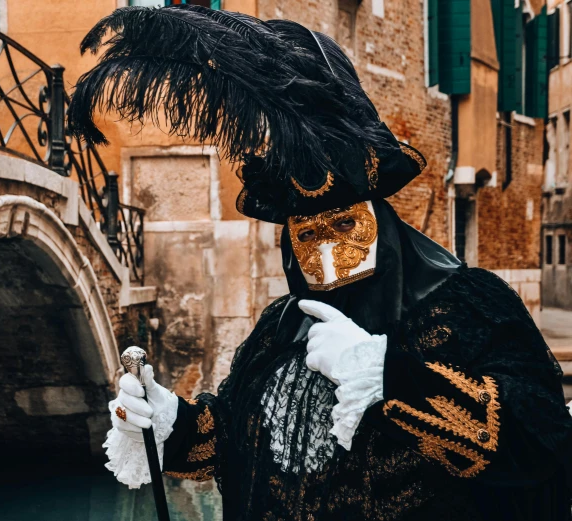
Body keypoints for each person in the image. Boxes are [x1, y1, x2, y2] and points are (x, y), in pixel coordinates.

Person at [68, 5, 572, 520]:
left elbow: (539, 441)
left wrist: (384, 374)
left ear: (381, 220)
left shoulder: (468, 308)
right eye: (308, 234)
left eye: (346, 227)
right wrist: (167, 423)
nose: (328, 254)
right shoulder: (281, 327)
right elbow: (239, 441)